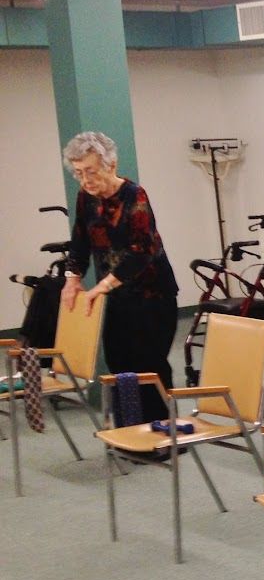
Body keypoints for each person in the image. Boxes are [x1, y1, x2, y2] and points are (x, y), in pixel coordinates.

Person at [59, 131, 179, 422]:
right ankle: (129, 432)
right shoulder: (85, 198)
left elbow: (142, 250)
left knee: (149, 366)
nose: (85, 180)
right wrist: (72, 279)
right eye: (78, 173)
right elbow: (80, 241)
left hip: (153, 296)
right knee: (119, 365)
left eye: (90, 171)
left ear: (110, 165)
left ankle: (162, 433)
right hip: (116, 297)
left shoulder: (134, 194)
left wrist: (102, 286)